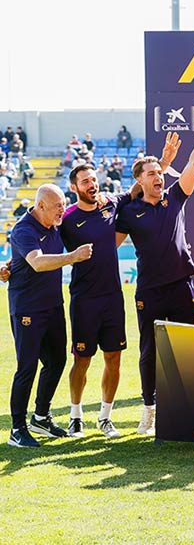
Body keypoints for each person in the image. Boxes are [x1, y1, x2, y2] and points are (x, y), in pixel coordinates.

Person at [115, 104, 194, 435]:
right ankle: (150, 409)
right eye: (152, 174)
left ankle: (185, 409)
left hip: (181, 287)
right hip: (149, 290)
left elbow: (193, 164)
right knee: (149, 350)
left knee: (185, 348)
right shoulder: (128, 211)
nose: (159, 177)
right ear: (139, 180)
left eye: (160, 173)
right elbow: (111, 245)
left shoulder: (174, 198)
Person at [59, 163, 145, 438]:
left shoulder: (110, 204)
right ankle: (75, 416)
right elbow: (41, 241)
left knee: (114, 358)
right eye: (85, 181)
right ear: (74, 188)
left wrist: (163, 162)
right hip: (84, 299)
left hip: (113, 298)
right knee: (82, 359)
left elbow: (135, 189)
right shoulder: (67, 219)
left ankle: (105, 417)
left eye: (93, 179)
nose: (91, 184)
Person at [6, 184, 92, 447]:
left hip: (53, 306)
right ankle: (17, 429)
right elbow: (37, 262)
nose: (62, 211)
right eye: (57, 206)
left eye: (64, 204)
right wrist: (73, 257)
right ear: (41, 205)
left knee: (56, 362)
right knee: (27, 367)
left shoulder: (53, 223)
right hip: (28, 309)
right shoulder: (23, 229)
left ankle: (41, 417)